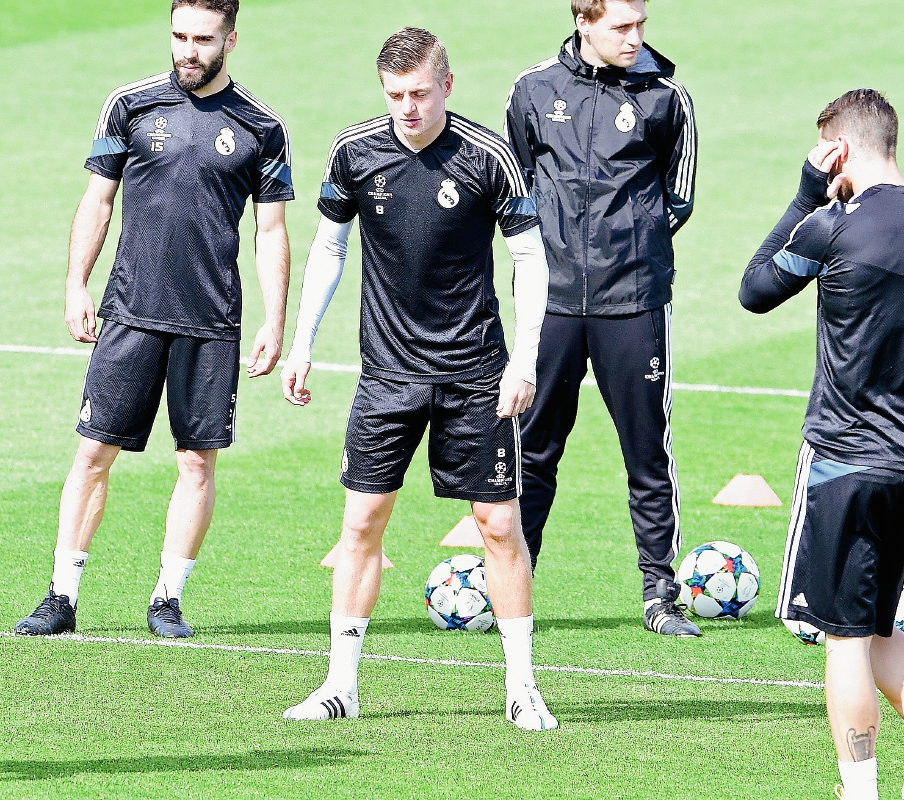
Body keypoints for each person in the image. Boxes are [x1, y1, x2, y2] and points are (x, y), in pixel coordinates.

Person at [278, 28, 556, 730]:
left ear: (448, 85)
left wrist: (523, 361)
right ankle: (341, 685)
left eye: (420, 93)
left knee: (497, 525)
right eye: (396, 94)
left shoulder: (488, 157)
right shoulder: (354, 151)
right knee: (362, 521)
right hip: (387, 374)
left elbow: (530, 260)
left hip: (474, 373)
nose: (407, 107)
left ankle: (522, 689)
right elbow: (330, 246)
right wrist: (302, 343)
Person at [740, 90, 904, 800]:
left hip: (840, 462)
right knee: (879, 619)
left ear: (837, 147)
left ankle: (858, 791)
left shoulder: (833, 225)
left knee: (844, 640)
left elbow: (754, 289)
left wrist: (804, 195)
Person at [15, 0, 292, 639]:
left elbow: (271, 228)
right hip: (131, 311)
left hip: (210, 320)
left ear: (231, 39)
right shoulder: (130, 105)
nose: (188, 50)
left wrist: (274, 319)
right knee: (93, 452)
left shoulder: (261, 126)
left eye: (203, 39)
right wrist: (74, 284)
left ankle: (167, 598)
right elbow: (98, 198)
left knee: (196, 462)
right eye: (179, 36)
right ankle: (62, 595)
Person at [504, 0, 700, 637]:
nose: (635, 37)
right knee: (532, 449)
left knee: (647, 452)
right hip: (551, 302)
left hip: (634, 302)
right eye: (621, 26)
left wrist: (628, 247)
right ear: (582, 21)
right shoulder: (532, 91)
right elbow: (517, 186)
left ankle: (660, 594)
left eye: (641, 24)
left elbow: (679, 197)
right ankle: (514, 590)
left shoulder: (668, 98)